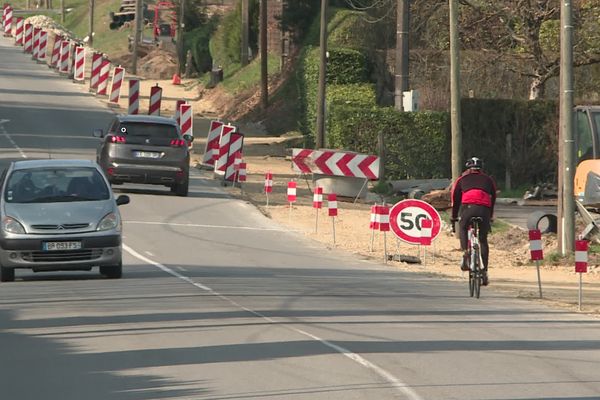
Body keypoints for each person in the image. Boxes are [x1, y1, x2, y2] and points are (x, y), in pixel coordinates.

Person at [451, 157, 497, 285]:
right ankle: (484, 271)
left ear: (468, 168)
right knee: (483, 240)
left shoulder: (462, 179)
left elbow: (455, 200)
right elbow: (493, 198)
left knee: (464, 227)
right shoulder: (488, 179)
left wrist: (453, 217)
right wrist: (490, 215)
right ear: (481, 168)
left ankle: (466, 252)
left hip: (468, 209)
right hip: (484, 210)